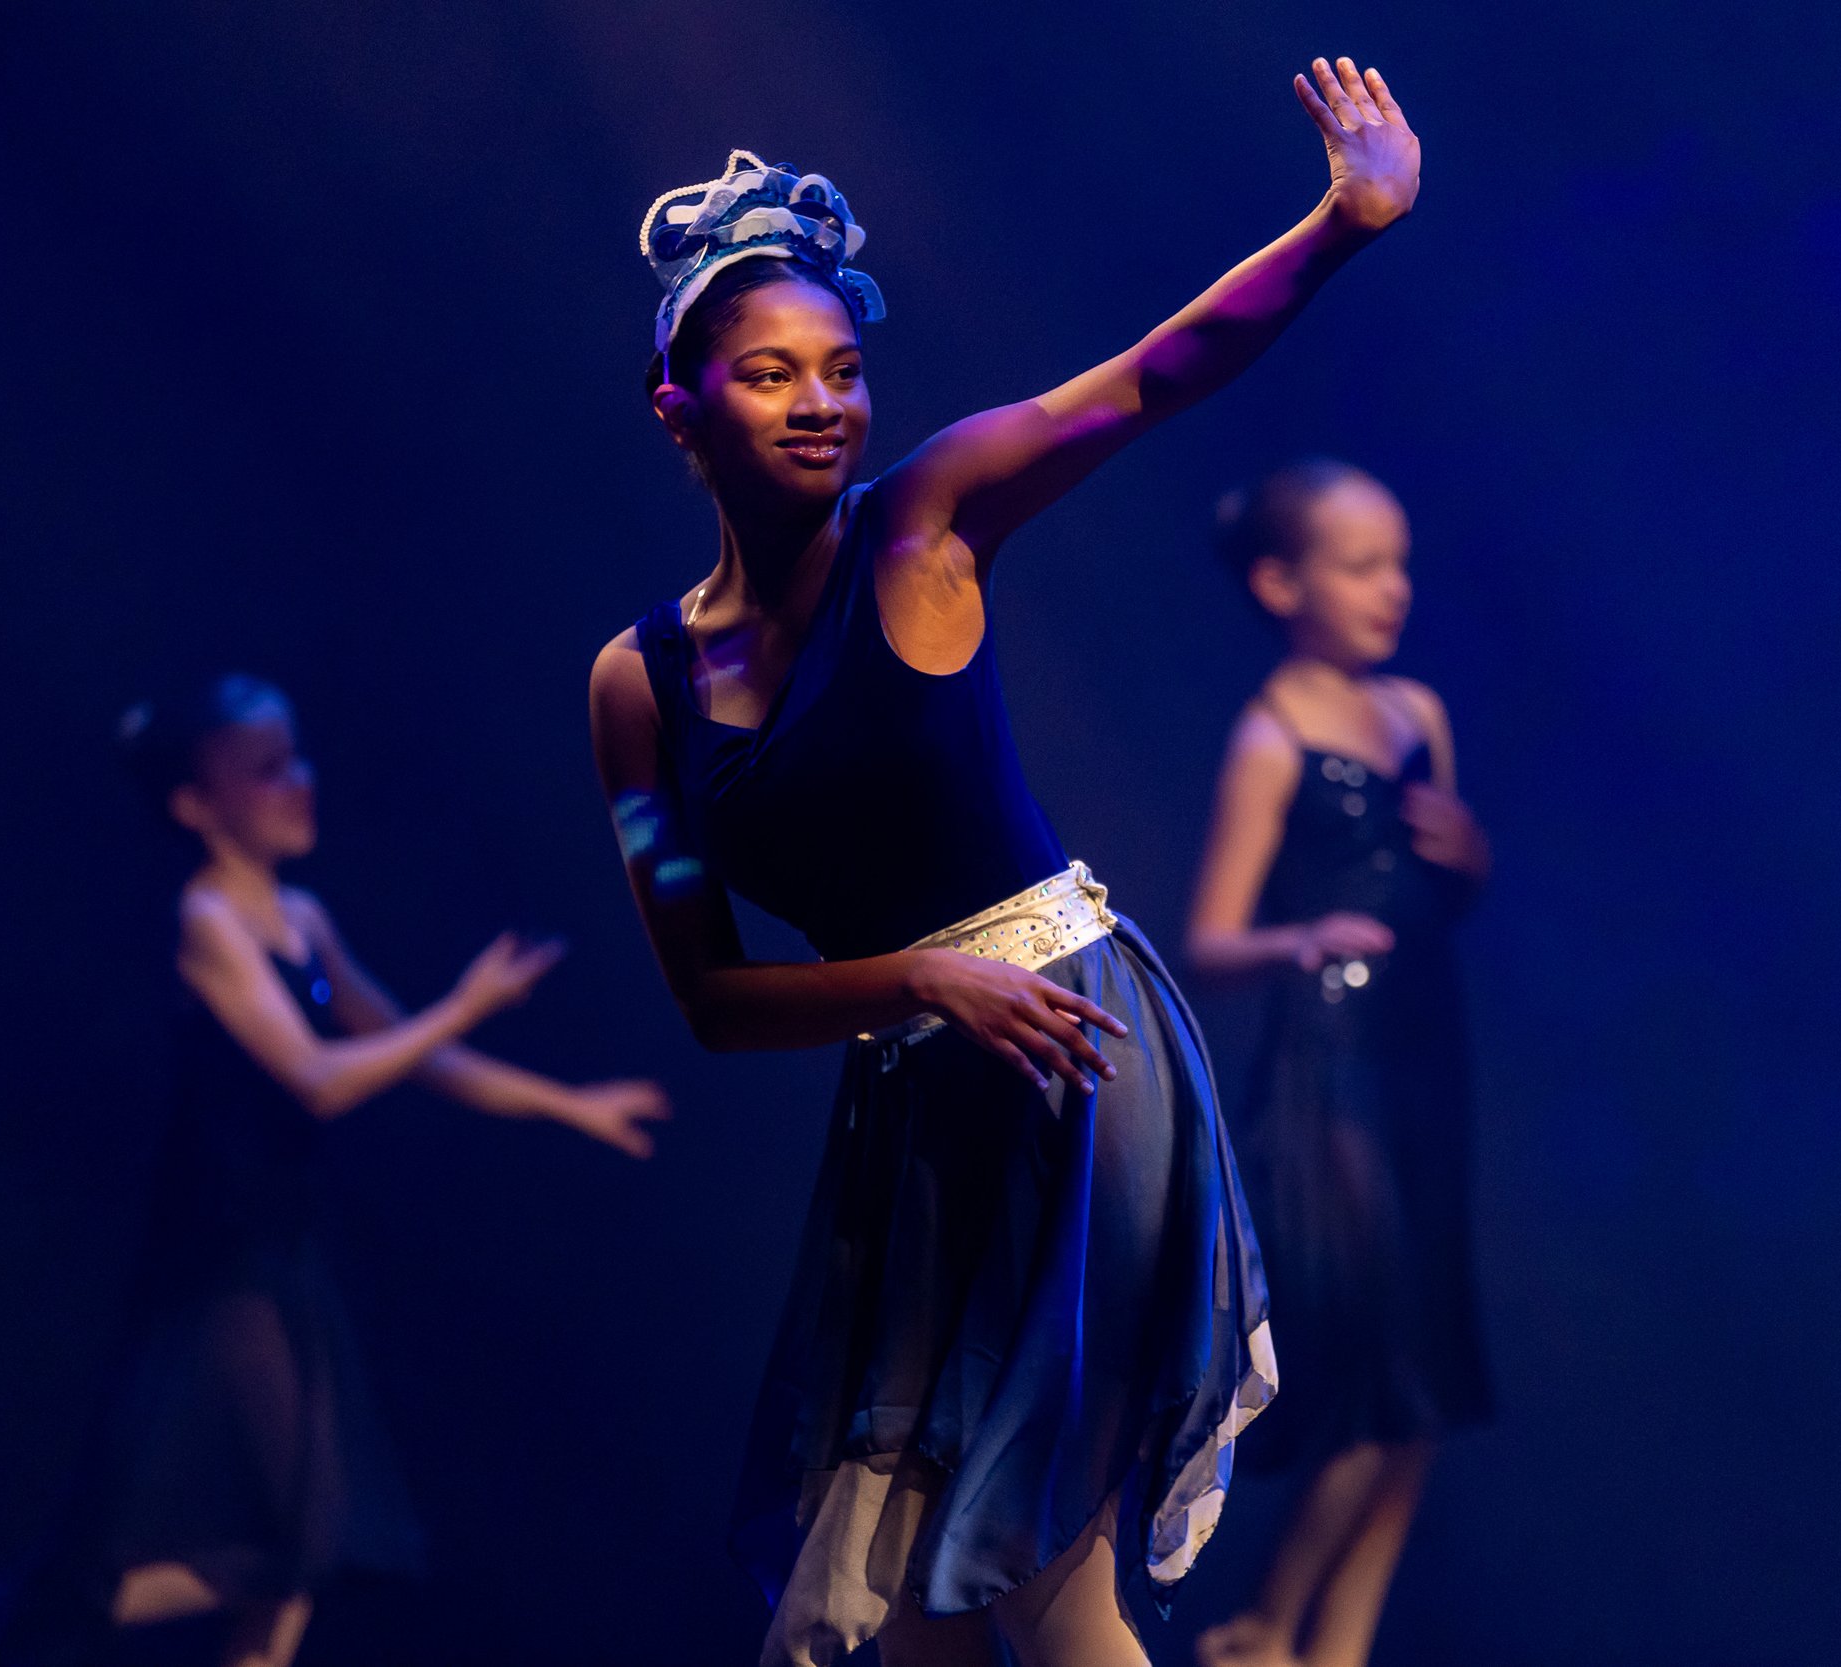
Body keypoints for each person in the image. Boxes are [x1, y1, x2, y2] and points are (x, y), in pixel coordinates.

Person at [586, 56, 1422, 1667]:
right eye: (771, 374)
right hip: (915, 1092)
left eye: (839, 368)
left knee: (1030, 1572)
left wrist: (1344, 224)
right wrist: (909, 983)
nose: (823, 402)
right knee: (903, 1623)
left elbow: (1147, 377)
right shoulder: (638, 688)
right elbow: (709, 994)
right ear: (678, 401)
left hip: (1072, 1052)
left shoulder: (930, 522)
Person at [0, 674, 668, 1667]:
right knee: (296, 1536)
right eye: (265, 769)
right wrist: (462, 1004)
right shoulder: (209, 919)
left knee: (296, 1551)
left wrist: (570, 1102)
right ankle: (25, 1608)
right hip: (221, 1259)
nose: (299, 780)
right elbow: (317, 1078)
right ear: (195, 806)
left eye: (295, 757)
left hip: (283, 1247)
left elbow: (415, 1051)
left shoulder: (304, 914)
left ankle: (38, 1601)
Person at [1183, 461, 1492, 1666]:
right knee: (1387, 1368)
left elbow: (1437, 894)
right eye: (1361, 565)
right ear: (1281, 582)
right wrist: (1298, 937)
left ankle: (1335, 1645)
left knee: (1431, 1385)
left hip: (1425, 1048)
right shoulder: (1269, 738)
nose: (1392, 588)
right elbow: (1208, 938)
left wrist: (1469, 861)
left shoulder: (1419, 713)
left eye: (1398, 562)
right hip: (1332, 1065)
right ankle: (1264, 1622)